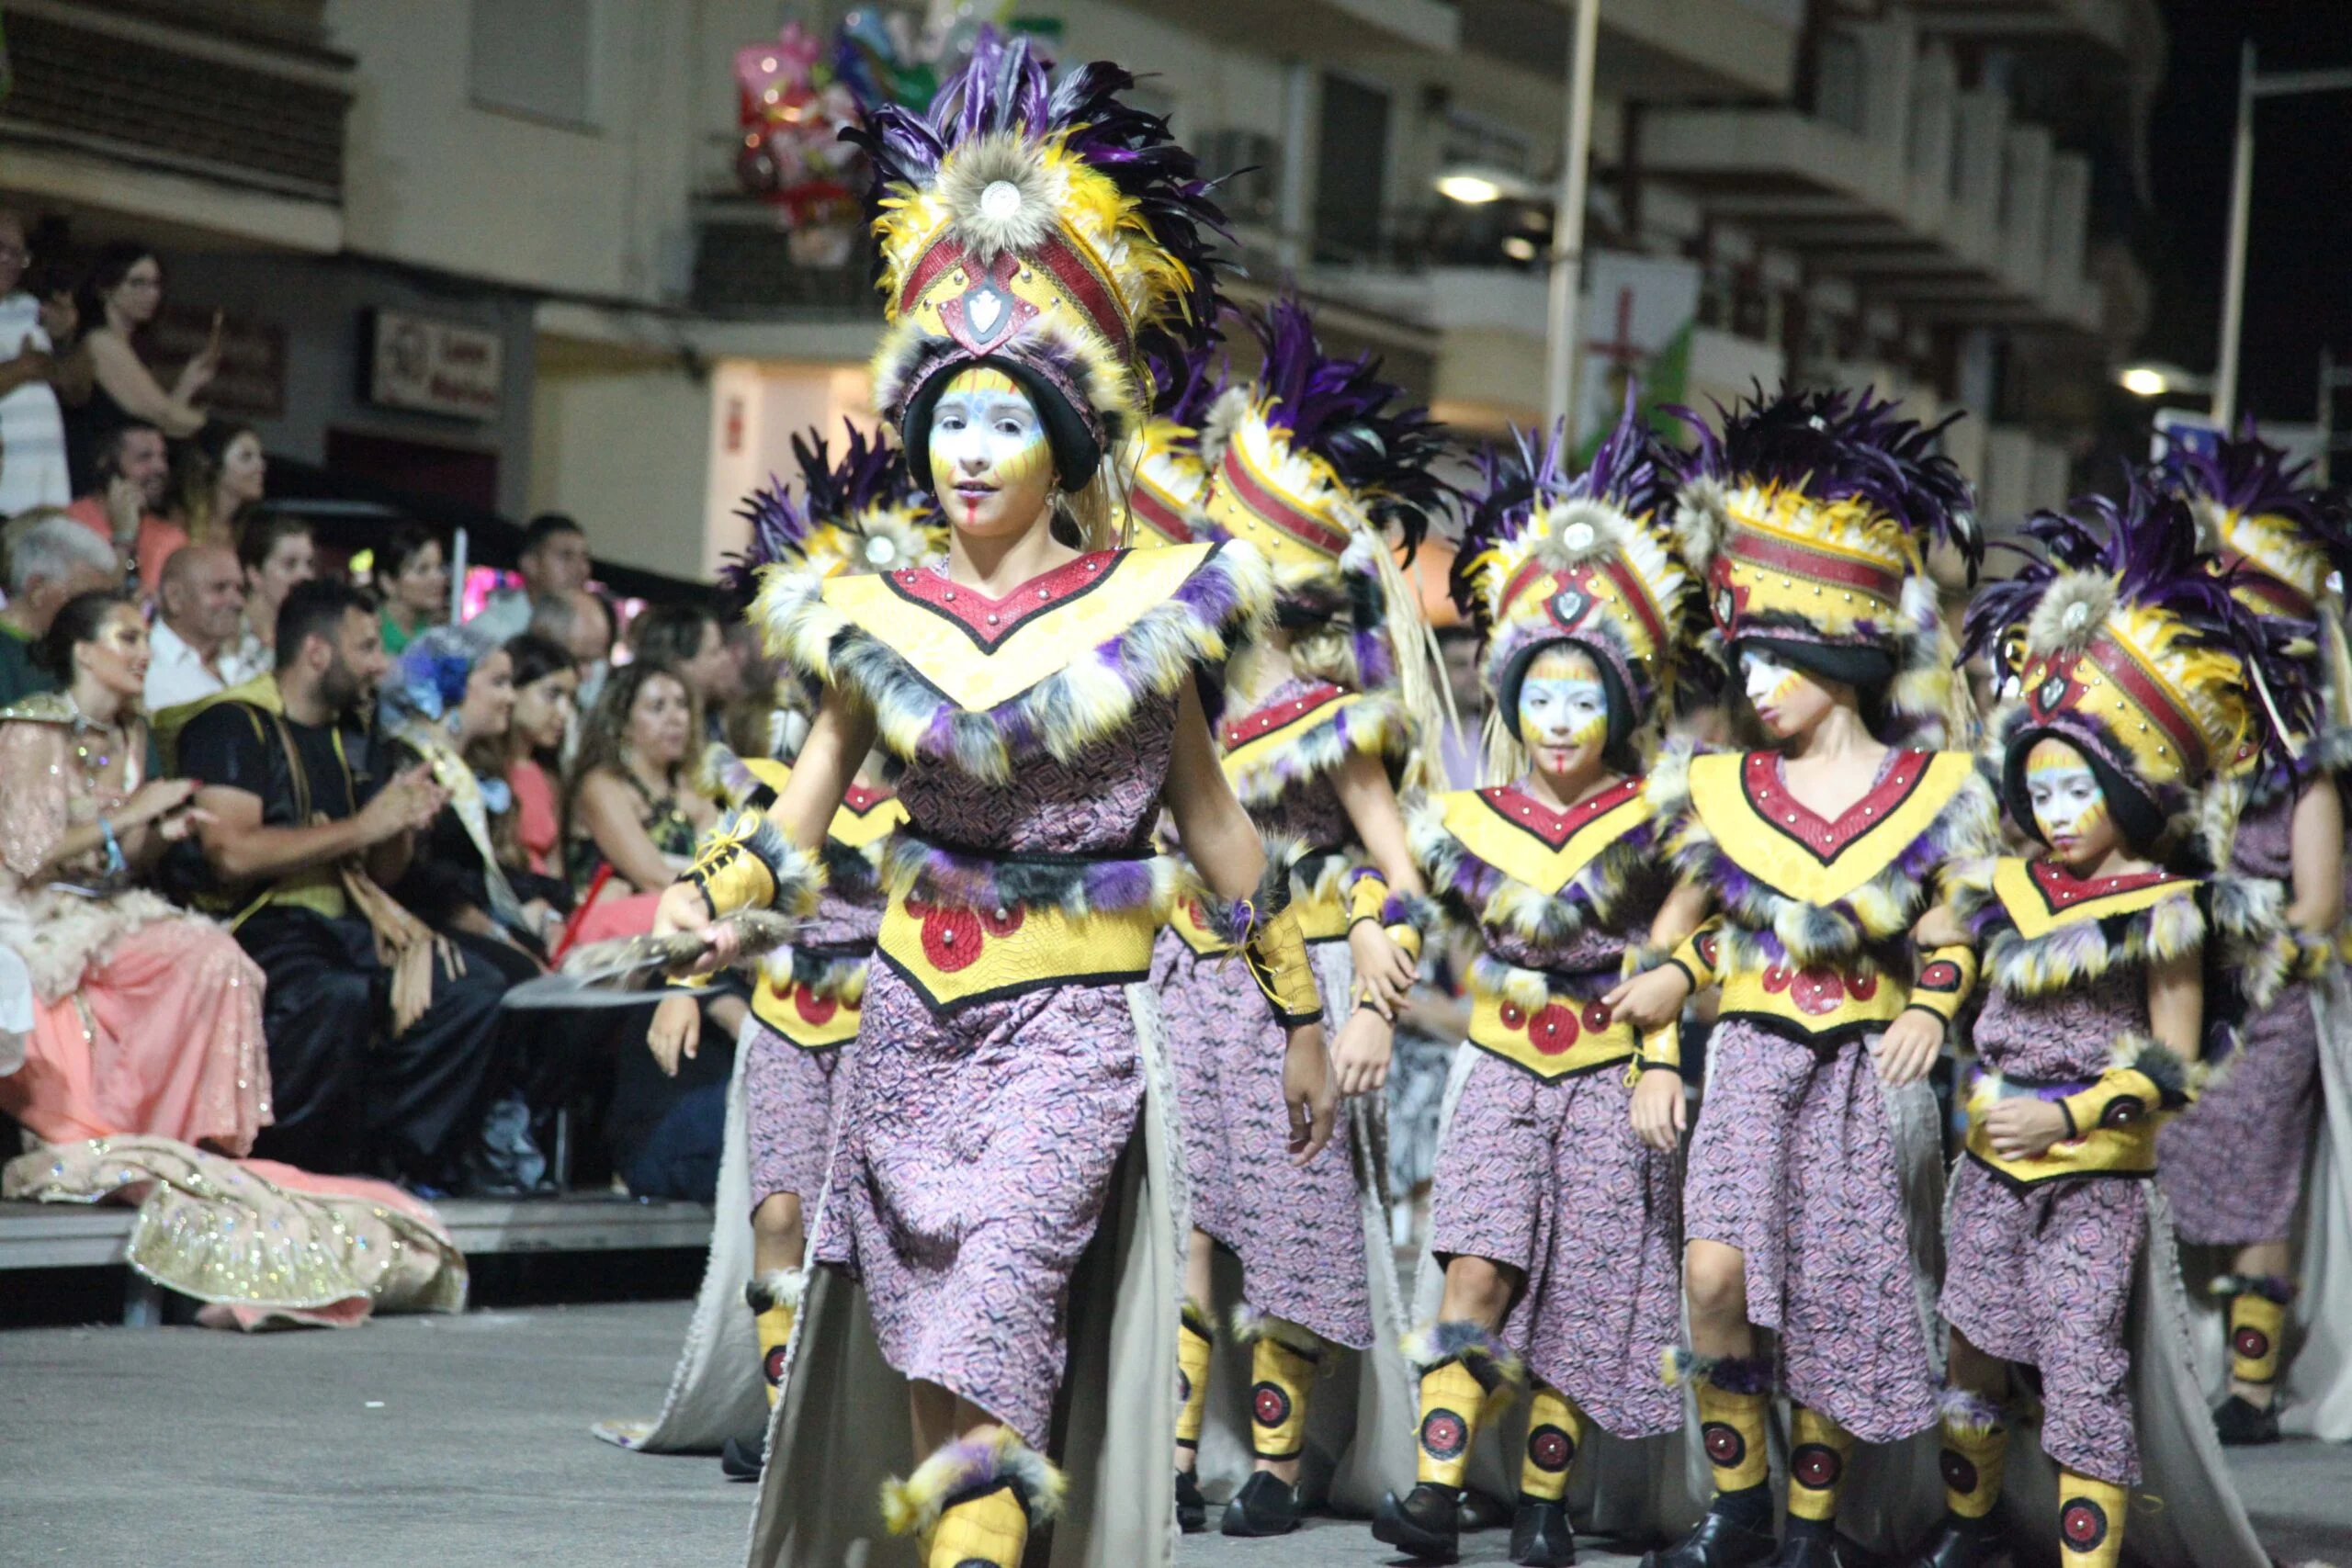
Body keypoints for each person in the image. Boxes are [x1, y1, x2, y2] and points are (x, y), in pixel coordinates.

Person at [673, 34, 1331, 1567]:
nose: (972, 453)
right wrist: (716, 898)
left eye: (1007, 421)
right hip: (908, 1016)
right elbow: (805, 811)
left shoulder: (1147, 612)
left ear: (1067, 438)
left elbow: (1217, 824)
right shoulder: (873, 614)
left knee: (995, 1313)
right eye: (951, 421)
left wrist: (1297, 1005)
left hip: (1070, 1029)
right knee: (929, 1346)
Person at [1606, 388, 1994, 1568]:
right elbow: (1666, 943)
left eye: (1778, 656)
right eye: (1746, 657)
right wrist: (1655, 1044)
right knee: (1713, 1275)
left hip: (1862, 1074)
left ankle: (1810, 1528)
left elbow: (1956, 922)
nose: (1756, 680)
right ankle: (1739, 1503)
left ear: (1839, 650)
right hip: (1751, 1058)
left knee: (1829, 1303)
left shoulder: (1937, 790)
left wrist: (1933, 1000)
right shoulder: (1717, 788)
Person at [1912, 483, 2288, 1568]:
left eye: (2079, 786)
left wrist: (2069, 1113)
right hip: (1989, 1163)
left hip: (2097, 1178)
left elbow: (2173, 1066)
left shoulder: (2166, 908)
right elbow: (1940, 951)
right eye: (2040, 788)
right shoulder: (1999, 886)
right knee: (1974, 1350)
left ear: (2125, 787)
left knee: (2081, 1365)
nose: (2057, 809)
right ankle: (1969, 1528)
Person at [1366, 411, 1702, 1567]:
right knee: (1477, 1264)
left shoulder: (1666, 818)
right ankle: (1437, 1490)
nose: (1558, 724)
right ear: (1511, 701)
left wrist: (1664, 1048)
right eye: (1539, 699)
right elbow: (1396, 892)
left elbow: (1692, 946)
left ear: (1622, 703)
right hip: (1503, 1066)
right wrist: (1370, 945)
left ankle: (1548, 1511)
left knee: (1586, 1300)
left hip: (1612, 1075)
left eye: (1583, 699)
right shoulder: (1473, 819)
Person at [1148, 297, 1445, 1538]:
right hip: (1178, 973)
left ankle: (1274, 1461)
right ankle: (1168, 1451)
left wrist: (1373, 989)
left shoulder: (1335, 714)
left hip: (1305, 984)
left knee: (1293, 1222)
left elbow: (1402, 866)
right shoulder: (1167, 698)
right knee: (1183, 1223)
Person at [624, 423, 940, 1478]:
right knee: (780, 1210)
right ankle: (780, 1407)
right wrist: (681, 984)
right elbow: (727, 885)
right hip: (787, 1022)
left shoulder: (939, 795)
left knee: (885, 1233)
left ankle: (870, 1414)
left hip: (897, 1025)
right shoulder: (763, 786)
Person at [173, 578, 514, 1193]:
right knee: (337, 994)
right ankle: (292, 1170)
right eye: (366, 648)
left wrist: (399, 823)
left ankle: (391, 1161)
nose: (383, 666)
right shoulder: (233, 722)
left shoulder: (354, 736)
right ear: (316, 651)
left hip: (349, 924)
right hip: (259, 927)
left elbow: (383, 872)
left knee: (474, 991)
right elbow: (231, 852)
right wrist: (364, 824)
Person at [2156, 431, 2352, 1447]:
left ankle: (2254, 1389)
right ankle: (2178, 1366)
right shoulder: (2184, 765)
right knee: (2173, 1175)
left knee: (2262, 1191)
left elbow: (2317, 903)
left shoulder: (2305, 777)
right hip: (2185, 994)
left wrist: (2250, 954)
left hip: (2266, 1013)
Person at [0, 588, 267, 1153]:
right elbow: (28, 851)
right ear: (84, 652)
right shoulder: (32, 730)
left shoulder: (131, 734)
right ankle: (123, 1133)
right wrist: (134, 812)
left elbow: (122, 860)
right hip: (29, 911)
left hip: (102, 910)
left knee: (219, 959)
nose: (144, 652)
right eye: (128, 638)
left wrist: (157, 837)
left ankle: (185, 1136)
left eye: (146, 638)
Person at [561, 660, 715, 940]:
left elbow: (717, 862)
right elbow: (652, 876)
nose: (676, 718)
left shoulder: (692, 785)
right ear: (622, 723)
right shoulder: (601, 786)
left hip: (675, 920)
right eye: (657, 708)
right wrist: (726, 899)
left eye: (681, 705)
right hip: (607, 936)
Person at [66, 243, 215, 491]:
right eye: (138, 283)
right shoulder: (101, 343)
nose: (151, 294)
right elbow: (162, 414)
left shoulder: (130, 348)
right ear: (105, 288)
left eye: (156, 284)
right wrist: (215, 432)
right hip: (94, 485)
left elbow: (156, 425)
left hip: (124, 486)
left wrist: (188, 384)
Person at [0, 209, 92, 514]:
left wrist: (66, 339)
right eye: (1, 248)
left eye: (19, 253)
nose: (10, 261)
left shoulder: (30, 308)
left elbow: (79, 392)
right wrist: (22, 369)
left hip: (46, 494)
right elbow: (33, 368)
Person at [0, 511, 119, 704]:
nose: (98, 614)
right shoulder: (5, 657)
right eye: (85, 600)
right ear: (37, 589)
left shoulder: (81, 658)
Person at [496, 632, 580, 880]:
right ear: (513, 688)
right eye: (552, 695)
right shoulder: (486, 771)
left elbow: (555, 871)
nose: (564, 713)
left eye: (570, 699)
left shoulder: (548, 777)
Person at [62, 420, 169, 584]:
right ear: (107, 465)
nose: (160, 467)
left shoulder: (170, 536)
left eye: (162, 456)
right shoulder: (68, 528)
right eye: (144, 457)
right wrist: (124, 538)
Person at [143, 543, 246, 711]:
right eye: (219, 588)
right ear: (174, 596)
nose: (237, 602)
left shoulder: (248, 660)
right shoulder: (143, 663)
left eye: (240, 589)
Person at [469, 512, 593, 645]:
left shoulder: (590, 632)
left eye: (585, 558)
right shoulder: (490, 630)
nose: (582, 569)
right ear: (530, 564)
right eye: (566, 556)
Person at [223, 513, 317, 683]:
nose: (305, 575)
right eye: (290, 564)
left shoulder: (311, 636)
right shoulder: (226, 634)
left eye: (309, 564)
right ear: (254, 574)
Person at [629, 600, 742, 724]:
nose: (726, 658)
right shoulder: (662, 732)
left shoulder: (718, 723)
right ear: (679, 663)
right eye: (715, 652)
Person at [173, 422, 267, 555]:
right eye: (246, 457)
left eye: (260, 457)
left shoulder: (248, 533)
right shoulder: (179, 526)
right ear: (213, 466)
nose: (261, 466)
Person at [376, 522, 450, 656]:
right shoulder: (374, 635)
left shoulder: (435, 635)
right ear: (388, 582)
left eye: (440, 567)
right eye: (422, 570)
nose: (439, 578)